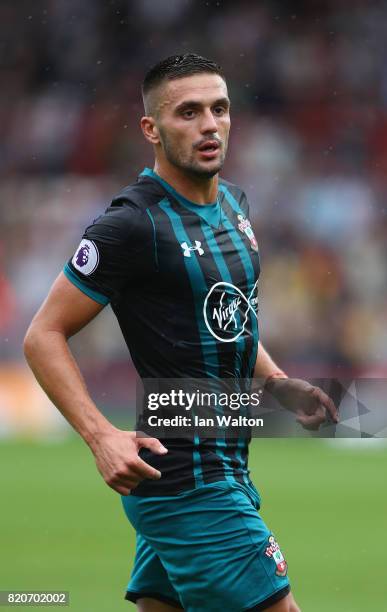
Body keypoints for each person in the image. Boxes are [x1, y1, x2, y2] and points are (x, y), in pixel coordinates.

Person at [24, 53, 338, 612]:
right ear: (151, 128)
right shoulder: (129, 225)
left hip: (220, 461)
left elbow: (228, 315)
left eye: (219, 109)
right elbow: (42, 335)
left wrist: (274, 380)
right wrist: (101, 436)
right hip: (188, 482)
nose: (209, 124)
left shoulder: (235, 204)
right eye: (188, 112)